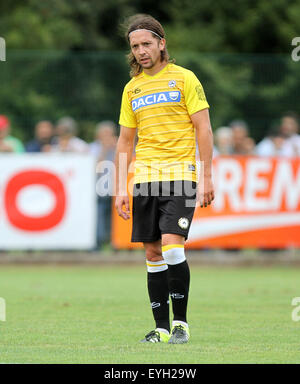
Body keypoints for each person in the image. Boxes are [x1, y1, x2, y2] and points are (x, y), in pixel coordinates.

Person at [115, 14, 214, 344]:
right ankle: (159, 327)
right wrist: (119, 187)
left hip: (180, 177)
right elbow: (125, 142)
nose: (141, 50)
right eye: (135, 46)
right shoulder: (132, 89)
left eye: (146, 43)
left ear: (161, 43)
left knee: (173, 249)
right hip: (144, 179)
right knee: (153, 254)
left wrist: (208, 175)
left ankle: (181, 325)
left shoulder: (184, 79)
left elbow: (203, 127)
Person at [90, 121, 118, 248]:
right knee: (99, 216)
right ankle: (99, 242)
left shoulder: (119, 146)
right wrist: (104, 150)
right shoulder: (92, 148)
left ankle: (116, 243)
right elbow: (93, 168)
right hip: (99, 189)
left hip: (117, 189)